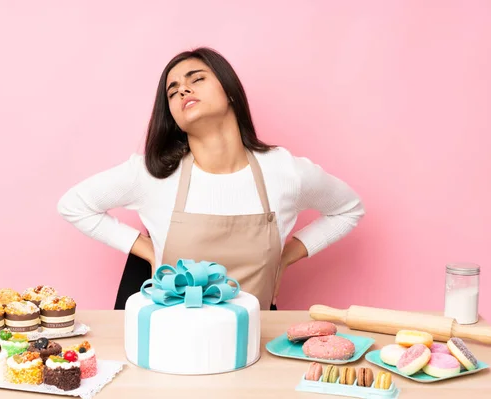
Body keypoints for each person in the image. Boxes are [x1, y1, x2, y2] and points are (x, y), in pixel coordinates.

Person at [57, 47, 365, 311]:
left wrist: (284, 258)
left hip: (250, 347)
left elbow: (348, 209)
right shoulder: (153, 175)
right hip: (170, 346)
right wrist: (148, 250)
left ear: (230, 91)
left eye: (197, 79)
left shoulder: (284, 172)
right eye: (173, 90)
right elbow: (73, 205)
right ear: (173, 116)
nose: (183, 91)